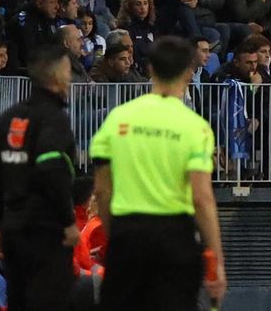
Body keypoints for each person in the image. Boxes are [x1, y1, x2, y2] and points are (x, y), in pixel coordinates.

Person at [90, 37, 225, 311]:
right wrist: (217, 261)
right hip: (175, 239)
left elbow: (103, 191)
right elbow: (202, 198)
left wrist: (114, 235)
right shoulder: (195, 127)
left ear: (150, 68)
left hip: (127, 235)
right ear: (189, 70)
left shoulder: (118, 118)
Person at [0, 45, 78, 310]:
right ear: (58, 75)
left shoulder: (7, 118)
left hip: (14, 232)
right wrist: (68, 221)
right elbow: (50, 165)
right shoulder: (53, 118)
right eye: (69, 71)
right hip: (47, 234)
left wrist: (2, 223)